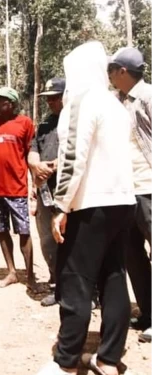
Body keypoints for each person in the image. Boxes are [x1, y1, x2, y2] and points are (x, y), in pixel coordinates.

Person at [37, 41, 136, 375]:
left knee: (75, 279)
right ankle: (108, 359)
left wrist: (61, 206)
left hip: (90, 204)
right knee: (113, 277)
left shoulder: (81, 102)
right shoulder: (115, 105)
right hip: (123, 202)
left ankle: (65, 362)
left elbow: (71, 159)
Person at [107, 46, 152, 344]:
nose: (109, 75)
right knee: (133, 254)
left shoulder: (147, 97)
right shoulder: (116, 101)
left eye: (111, 70)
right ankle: (148, 313)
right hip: (126, 189)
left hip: (149, 185)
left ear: (123, 71)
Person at [0, 87, 37, 290]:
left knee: (24, 232)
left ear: (10, 104)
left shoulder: (25, 124)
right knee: (2, 230)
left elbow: (31, 154)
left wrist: (35, 182)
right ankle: (11, 272)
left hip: (17, 188)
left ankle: (30, 277)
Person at [28, 78, 65, 306]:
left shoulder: (76, 122)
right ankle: (56, 285)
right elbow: (32, 151)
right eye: (48, 98)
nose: (50, 102)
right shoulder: (44, 126)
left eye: (55, 97)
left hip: (69, 192)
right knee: (47, 240)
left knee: (73, 241)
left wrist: (55, 165)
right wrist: (36, 166)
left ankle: (89, 292)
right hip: (45, 192)